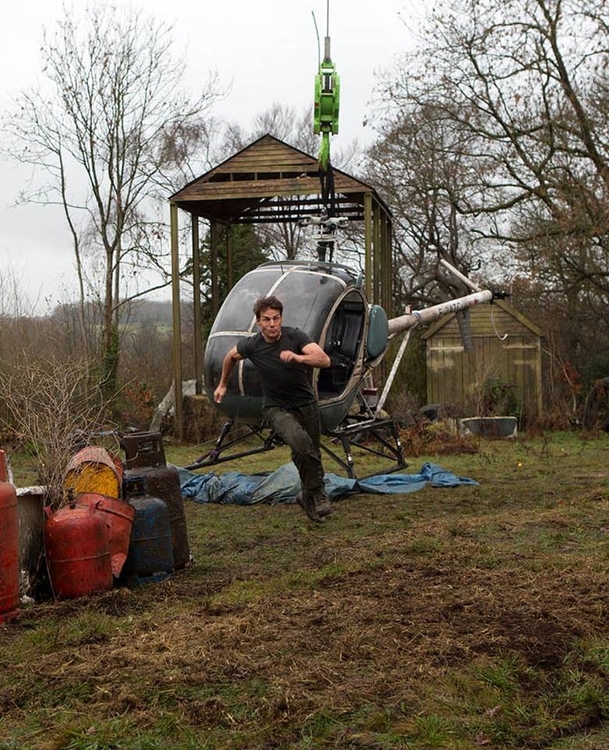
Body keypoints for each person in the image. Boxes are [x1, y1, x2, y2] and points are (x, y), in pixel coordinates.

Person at [213, 295, 334, 523]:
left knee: (310, 453)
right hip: (276, 408)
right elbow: (230, 356)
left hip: (306, 404)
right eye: (267, 319)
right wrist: (222, 384)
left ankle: (307, 496)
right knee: (300, 441)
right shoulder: (253, 345)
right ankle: (318, 494)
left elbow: (324, 360)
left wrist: (298, 357)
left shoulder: (295, 336)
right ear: (259, 322)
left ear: (281, 318)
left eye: (276, 318)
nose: (272, 324)